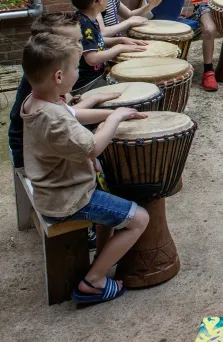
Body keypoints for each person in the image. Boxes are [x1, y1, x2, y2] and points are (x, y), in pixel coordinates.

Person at [20, 32, 150, 305]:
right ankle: (93, 282)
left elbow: (74, 113)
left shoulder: (37, 101)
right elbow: (93, 147)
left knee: (111, 209)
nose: (77, 74)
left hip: (56, 190)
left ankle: (102, 258)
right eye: (75, 69)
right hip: (70, 198)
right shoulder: (55, 118)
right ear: (58, 77)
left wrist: (116, 112)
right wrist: (114, 119)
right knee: (140, 218)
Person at [8, 13, 124, 171]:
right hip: (30, 158)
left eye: (79, 40)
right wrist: (114, 116)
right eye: (71, 42)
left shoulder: (43, 79)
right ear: (48, 45)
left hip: (42, 147)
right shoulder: (40, 85)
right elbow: (61, 116)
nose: (79, 48)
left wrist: (96, 102)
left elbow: (65, 112)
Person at [69, 0, 148, 93]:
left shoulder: (86, 18)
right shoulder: (86, 25)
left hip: (95, 77)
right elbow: (92, 58)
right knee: (131, 90)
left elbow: (96, 41)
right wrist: (119, 48)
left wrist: (120, 40)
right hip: (88, 84)